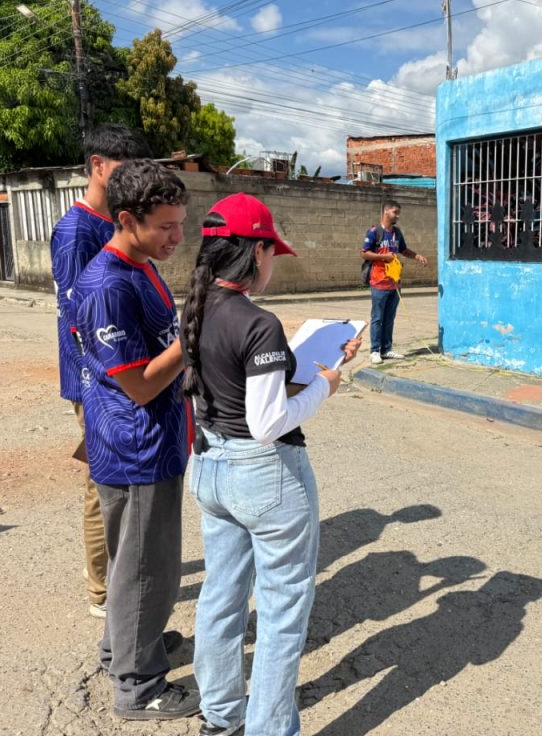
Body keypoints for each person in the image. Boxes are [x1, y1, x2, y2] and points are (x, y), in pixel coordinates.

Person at [181, 193, 360, 736]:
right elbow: (267, 422)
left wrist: (310, 368)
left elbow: (235, 387)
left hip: (210, 466)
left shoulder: (194, 306)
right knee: (282, 613)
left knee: (221, 595)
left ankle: (221, 715)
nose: (273, 263)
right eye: (272, 253)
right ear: (255, 251)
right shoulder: (259, 323)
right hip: (264, 476)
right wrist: (326, 386)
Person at [73, 159, 199, 720]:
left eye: (181, 224)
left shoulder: (141, 264)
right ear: (127, 220)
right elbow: (141, 384)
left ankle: (124, 646)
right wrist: (193, 335)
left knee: (136, 564)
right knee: (148, 570)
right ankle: (138, 686)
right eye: (166, 227)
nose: (177, 237)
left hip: (148, 441)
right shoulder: (108, 285)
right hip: (135, 449)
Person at [50, 124, 152, 619]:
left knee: (119, 481)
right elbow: (78, 319)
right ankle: (102, 590)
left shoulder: (114, 220)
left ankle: (120, 572)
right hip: (97, 377)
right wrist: (112, 383)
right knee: (102, 482)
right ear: (97, 166)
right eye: (123, 170)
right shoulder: (77, 231)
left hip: (121, 372)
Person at [361, 199, 428, 364]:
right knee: (377, 318)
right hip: (379, 282)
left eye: (398, 213)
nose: (397, 216)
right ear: (386, 211)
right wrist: (384, 256)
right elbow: (364, 253)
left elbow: (403, 249)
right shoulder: (374, 232)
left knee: (390, 318)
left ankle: (386, 349)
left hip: (394, 283)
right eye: (395, 212)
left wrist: (417, 256)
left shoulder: (397, 233)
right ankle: (374, 351)